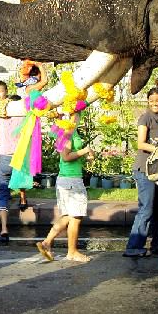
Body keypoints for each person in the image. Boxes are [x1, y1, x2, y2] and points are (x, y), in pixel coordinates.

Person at [34, 110, 93, 263]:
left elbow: (70, 154)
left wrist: (87, 156)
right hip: (72, 181)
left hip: (66, 180)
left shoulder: (65, 131)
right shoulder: (67, 133)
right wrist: (84, 151)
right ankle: (72, 252)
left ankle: (46, 243)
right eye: (76, 113)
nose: (78, 116)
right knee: (76, 217)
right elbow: (66, 157)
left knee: (68, 215)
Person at [124, 88, 158, 257]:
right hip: (144, 170)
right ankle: (133, 247)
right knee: (146, 208)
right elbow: (140, 144)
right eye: (151, 100)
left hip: (157, 170)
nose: (155, 103)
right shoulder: (145, 117)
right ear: (148, 101)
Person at [0, 89, 24, 245]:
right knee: (22, 181)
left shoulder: (0, 116)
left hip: (5, 156)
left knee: (3, 192)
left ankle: (4, 230)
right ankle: (24, 200)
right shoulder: (25, 117)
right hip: (20, 155)